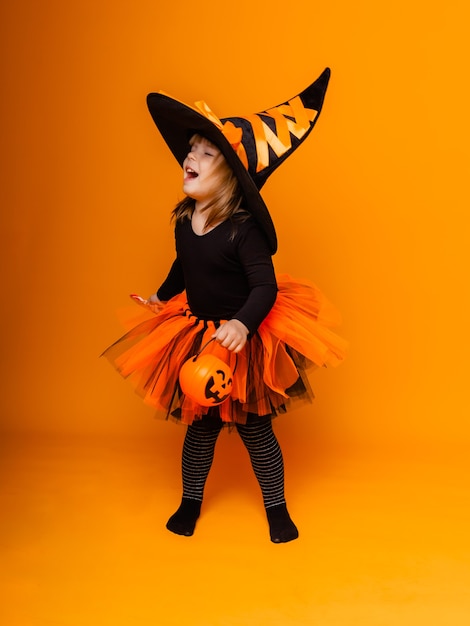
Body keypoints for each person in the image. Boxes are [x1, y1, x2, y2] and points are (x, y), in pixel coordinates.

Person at [103, 68, 347, 543]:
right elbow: (184, 268)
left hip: (243, 338)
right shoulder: (182, 221)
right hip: (196, 335)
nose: (191, 156)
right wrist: (161, 296)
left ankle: (276, 507)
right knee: (200, 428)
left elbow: (265, 288)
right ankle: (190, 501)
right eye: (191, 149)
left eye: (206, 152)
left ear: (232, 179)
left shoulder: (243, 231)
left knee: (257, 431)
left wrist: (242, 324)